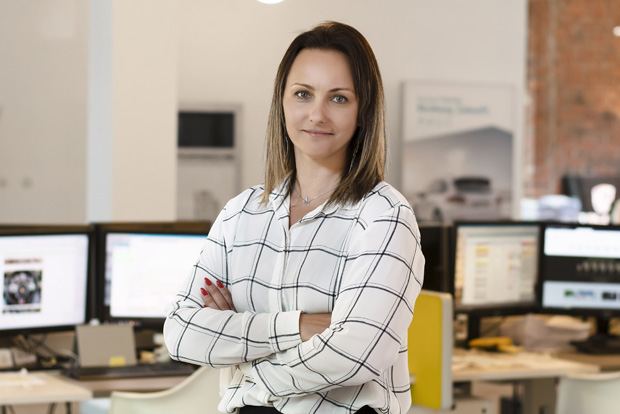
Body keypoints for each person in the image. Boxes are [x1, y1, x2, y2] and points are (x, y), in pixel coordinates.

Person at [164, 21, 424, 414]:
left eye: (339, 98)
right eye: (303, 94)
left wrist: (246, 366)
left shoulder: (383, 218)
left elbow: (356, 354)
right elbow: (182, 333)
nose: (317, 114)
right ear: (282, 103)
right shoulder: (240, 214)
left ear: (363, 112)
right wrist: (298, 326)